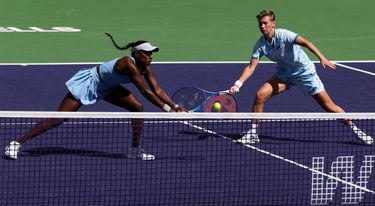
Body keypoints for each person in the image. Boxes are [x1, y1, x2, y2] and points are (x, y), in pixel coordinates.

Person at [4, 33, 186, 160]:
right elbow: (146, 91)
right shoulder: (127, 64)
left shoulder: (145, 67)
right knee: (58, 119)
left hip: (109, 87)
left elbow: (157, 90)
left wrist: (176, 107)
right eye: (147, 53)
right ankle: (17, 143)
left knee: (137, 108)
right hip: (90, 83)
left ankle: (134, 150)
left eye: (152, 53)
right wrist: (167, 109)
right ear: (137, 54)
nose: (151, 56)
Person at [229, 10, 373, 145]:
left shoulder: (284, 35)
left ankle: (356, 129)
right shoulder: (260, 45)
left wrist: (322, 58)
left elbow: (306, 43)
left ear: (273, 23)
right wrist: (238, 84)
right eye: (260, 23)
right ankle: (253, 133)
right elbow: (251, 67)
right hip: (285, 74)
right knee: (260, 95)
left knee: (329, 107)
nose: (262, 26)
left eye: (265, 23)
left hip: (305, 73)